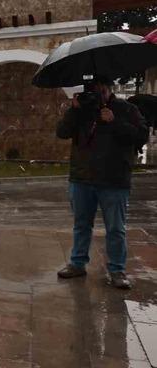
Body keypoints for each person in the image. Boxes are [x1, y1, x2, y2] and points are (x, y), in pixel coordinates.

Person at [55, 75, 148, 289]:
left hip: (114, 179)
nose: (96, 93)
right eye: (92, 89)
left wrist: (114, 121)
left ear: (108, 88)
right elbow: (62, 132)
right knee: (81, 225)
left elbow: (140, 136)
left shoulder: (127, 109)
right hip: (82, 177)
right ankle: (77, 264)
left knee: (115, 228)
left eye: (99, 88)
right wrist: (74, 110)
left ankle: (117, 270)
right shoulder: (82, 108)